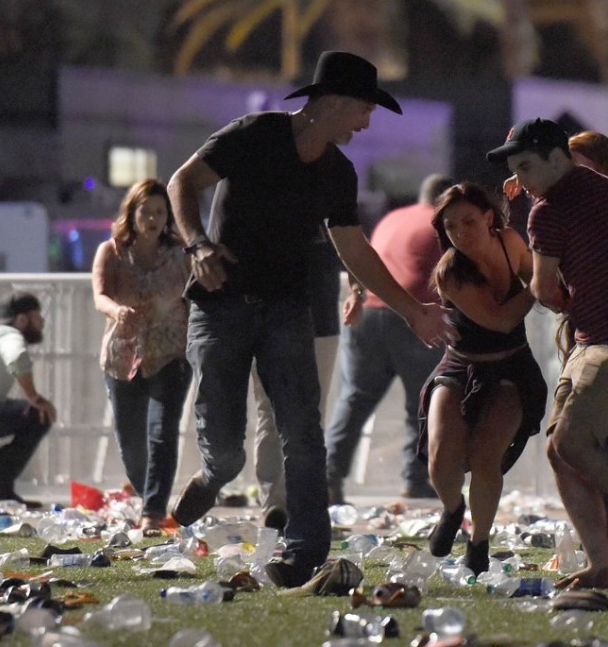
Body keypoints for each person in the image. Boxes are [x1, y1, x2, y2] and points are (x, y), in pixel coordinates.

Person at [166, 50, 454, 589]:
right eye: (364, 111)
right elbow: (182, 182)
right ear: (334, 103)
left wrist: (412, 308)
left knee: (304, 431)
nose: (367, 123)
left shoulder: (337, 171)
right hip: (221, 304)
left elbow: (355, 248)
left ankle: (303, 552)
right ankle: (212, 476)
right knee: (227, 450)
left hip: (287, 309)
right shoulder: (253, 134)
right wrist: (197, 245)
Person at [489, 118, 608, 589]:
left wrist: (562, 299)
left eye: (527, 167)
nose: (522, 181)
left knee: (570, 443)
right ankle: (602, 564)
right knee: (560, 449)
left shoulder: (546, 212)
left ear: (557, 157)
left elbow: (543, 287)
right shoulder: (603, 187)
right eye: (515, 171)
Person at [418, 182, 547, 575]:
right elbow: (502, 317)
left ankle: (479, 542)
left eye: (469, 222)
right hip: (461, 364)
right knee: (442, 457)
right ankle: (453, 509)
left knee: (486, 453)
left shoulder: (509, 241)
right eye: (451, 226)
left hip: (511, 365)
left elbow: (533, 271)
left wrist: (548, 280)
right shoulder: (451, 271)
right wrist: (541, 284)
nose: (460, 233)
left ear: (489, 219)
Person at [325, 174, 453, 505]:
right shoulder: (443, 224)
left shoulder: (393, 218)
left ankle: (328, 477)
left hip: (368, 311)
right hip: (413, 313)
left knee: (355, 398)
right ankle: (416, 480)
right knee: (423, 402)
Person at [91, 179, 192, 537]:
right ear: (131, 214)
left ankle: (152, 511)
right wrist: (117, 311)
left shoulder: (180, 254)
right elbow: (99, 295)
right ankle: (147, 491)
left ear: (168, 217)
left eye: (160, 212)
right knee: (131, 443)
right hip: (123, 356)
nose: (152, 219)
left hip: (170, 354)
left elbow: (196, 297)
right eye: (145, 211)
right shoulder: (113, 252)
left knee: (162, 432)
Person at [251, 226, 342, 531]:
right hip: (279, 318)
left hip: (312, 319)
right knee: (288, 414)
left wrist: (356, 285)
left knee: (290, 415)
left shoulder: (324, 194)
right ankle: (284, 504)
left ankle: (284, 503)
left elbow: (350, 240)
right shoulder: (318, 193)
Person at [0, 292, 56, 509]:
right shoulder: (10, 336)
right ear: (21, 320)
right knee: (39, 414)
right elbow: (17, 358)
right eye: (38, 317)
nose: (42, 323)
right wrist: (35, 398)